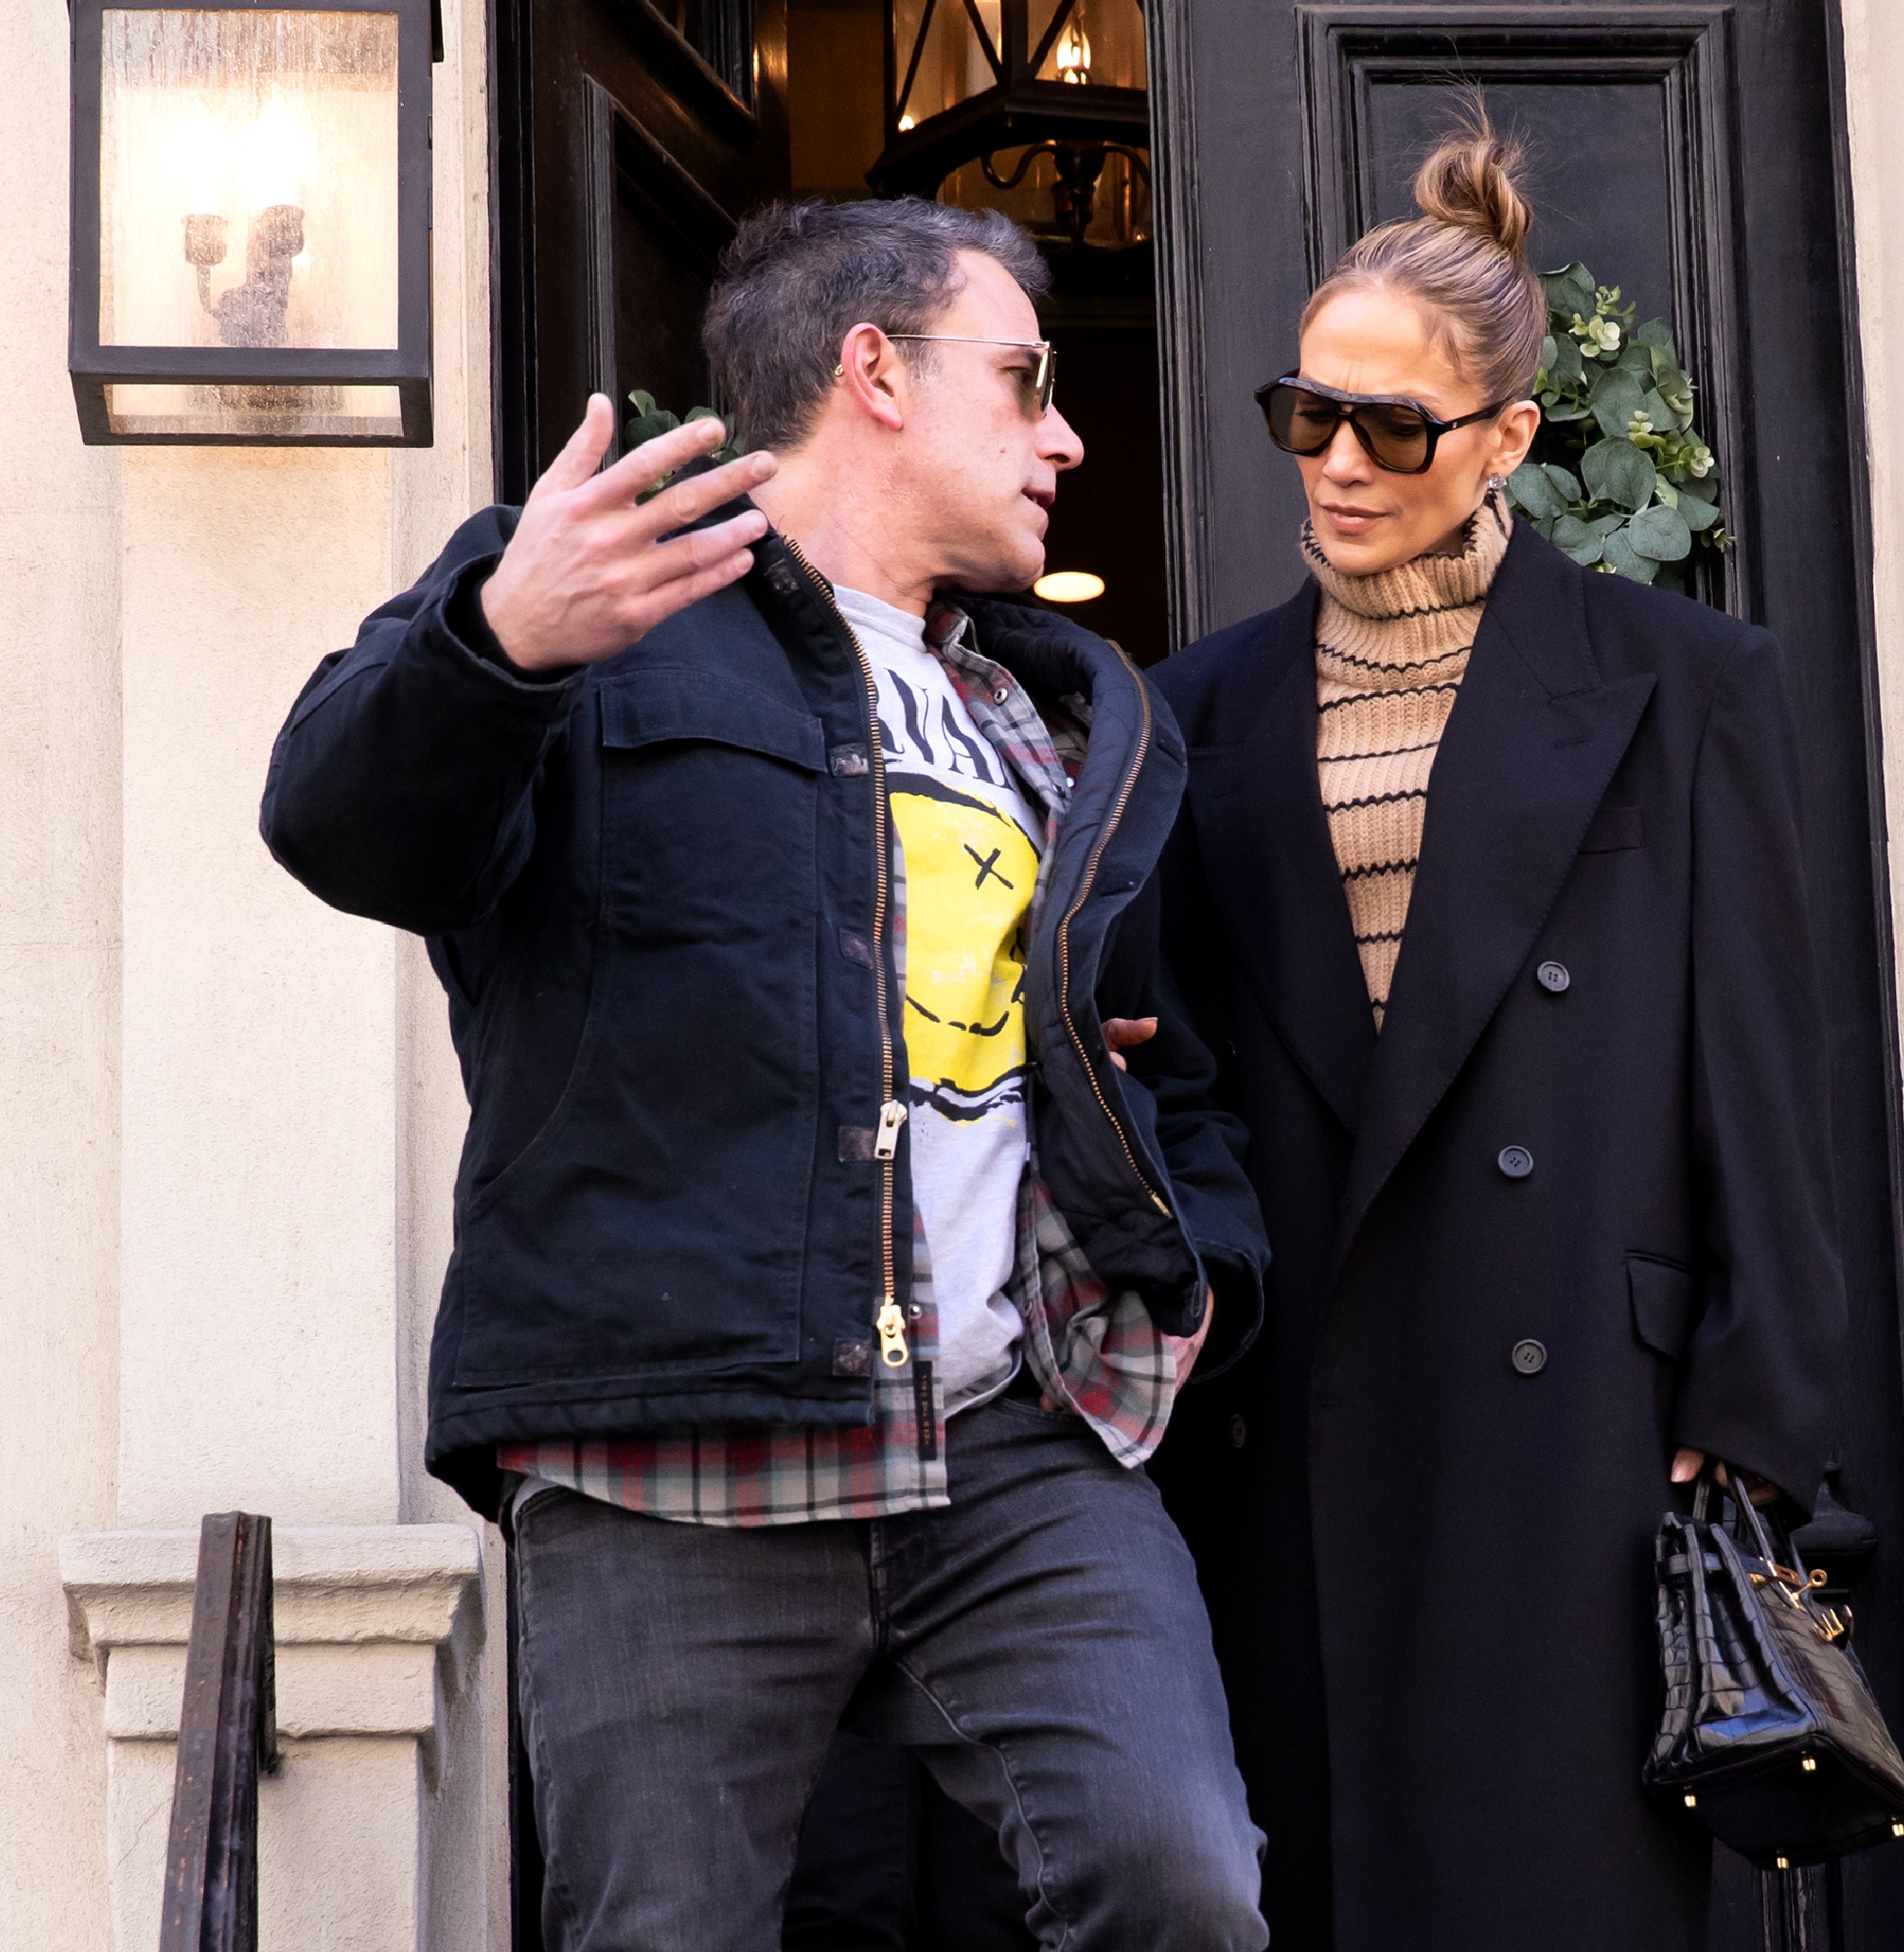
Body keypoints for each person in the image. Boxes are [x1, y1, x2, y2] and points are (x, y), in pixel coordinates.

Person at [259, 197, 1271, 1952]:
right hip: (677, 1450)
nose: (1066, 431)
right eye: (1022, 379)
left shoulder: (1051, 712)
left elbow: (1148, 1063)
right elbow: (338, 827)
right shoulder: (596, 592)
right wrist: (493, 641)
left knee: (1179, 1880)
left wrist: (1198, 1280)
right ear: (875, 372)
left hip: (1010, 1440)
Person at [1141, 122, 1852, 1952]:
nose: (1345, 467)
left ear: (1510, 440)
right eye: (1311, 418)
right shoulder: (1191, 710)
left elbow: (1763, 1068)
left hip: (1590, 1431)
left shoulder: (1681, 685)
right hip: (1296, 1406)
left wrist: (1754, 1405)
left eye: (1398, 429)